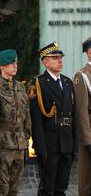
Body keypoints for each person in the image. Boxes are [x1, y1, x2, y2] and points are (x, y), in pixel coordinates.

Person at [29, 42, 78, 196]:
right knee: (47, 189)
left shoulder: (68, 82)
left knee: (61, 188)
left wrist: (74, 143)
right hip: (50, 143)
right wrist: (40, 147)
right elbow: (36, 121)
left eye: (60, 57)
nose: (60, 61)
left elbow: (74, 115)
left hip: (66, 142)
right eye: (55, 58)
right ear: (45, 62)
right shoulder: (39, 84)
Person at [0, 49, 31, 196]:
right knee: (0, 189)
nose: (15, 65)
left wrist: (25, 141)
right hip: (2, 148)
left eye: (16, 62)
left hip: (19, 147)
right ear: (2, 66)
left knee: (14, 190)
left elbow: (27, 117)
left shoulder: (20, 87)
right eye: (11, 63)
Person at [73, 36, 91, 196]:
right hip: (90, 131)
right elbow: (81, 110)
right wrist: (87, 139)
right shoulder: (82, 75)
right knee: (87, 180)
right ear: (90, 52)